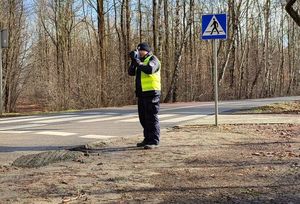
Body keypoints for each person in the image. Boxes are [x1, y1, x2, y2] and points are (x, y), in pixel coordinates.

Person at [128, 42, 161, 149]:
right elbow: (131, 72)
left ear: (145, 50)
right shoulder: (139, 61)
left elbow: (150, 70)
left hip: (152, 93)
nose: (138, 52)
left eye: (140, 50)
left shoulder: (153, 59)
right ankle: (147, 139)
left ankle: (153, 141)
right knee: (143, 118)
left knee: (151, 117)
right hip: (142, 94)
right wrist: (133, 61)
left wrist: (137, 62)